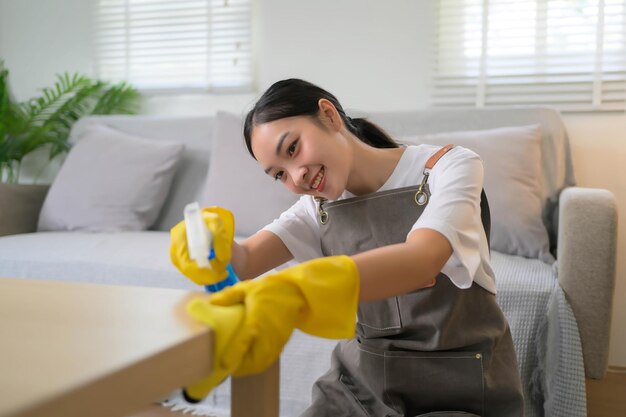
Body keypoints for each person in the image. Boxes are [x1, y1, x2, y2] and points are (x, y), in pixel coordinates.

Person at [170, 78, 524, 417]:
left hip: (459, 387)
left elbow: (423, 259)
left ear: (329, 115)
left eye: (292, 149)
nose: (296, 178)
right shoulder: (316, 210)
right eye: (279, 174)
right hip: (360, 388)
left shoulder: (449, 166)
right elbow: (245, 262)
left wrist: (301, 289)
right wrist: (207, 243)